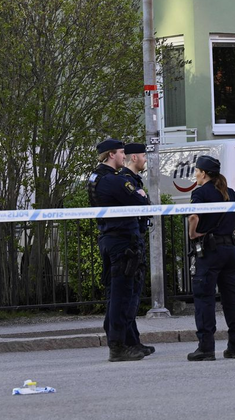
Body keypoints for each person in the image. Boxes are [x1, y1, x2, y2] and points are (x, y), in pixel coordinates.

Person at [89, 139, 153, 362]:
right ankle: (117, 346)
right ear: (110, 155)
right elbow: (141, 203)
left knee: (120, 293)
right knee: (122, 296)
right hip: (122, 241)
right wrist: (141, 196)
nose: (124, 157)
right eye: (121, 153)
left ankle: (129, 341)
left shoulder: (96, 178)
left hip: (111, 238)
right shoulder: (112, 180)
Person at [186, 155, 235, 361]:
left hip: (210, 252)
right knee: (232, 299)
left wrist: (193, 233)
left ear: (204, 173)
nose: (195, 174)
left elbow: (194, 216)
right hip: (230, 251)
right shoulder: (229, 193)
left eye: (196, 171)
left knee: (204, 299)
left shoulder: (200, 193)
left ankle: (206, 348)